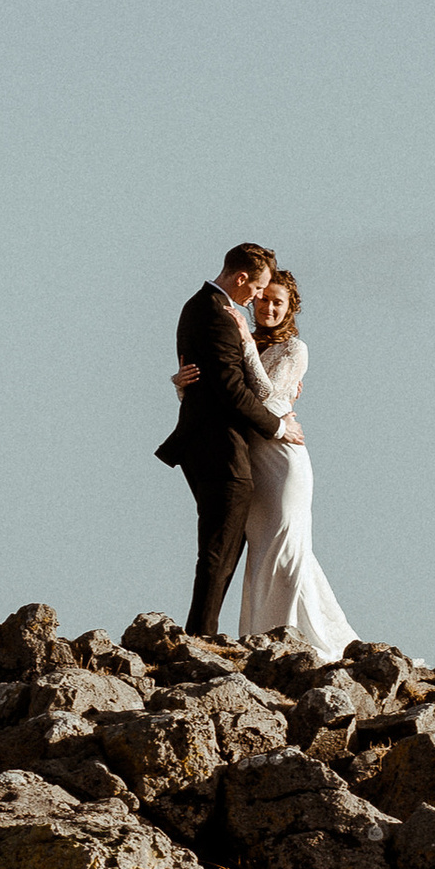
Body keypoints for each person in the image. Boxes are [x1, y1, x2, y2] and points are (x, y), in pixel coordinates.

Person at [168, 260, 356, 662]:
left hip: (282, 459)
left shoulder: (294, 349)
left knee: (287, 546)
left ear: (291, 308)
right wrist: (181, 387)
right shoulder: (238, 335)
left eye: (278, 303)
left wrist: (248, 348)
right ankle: (260, 637)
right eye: (264, 300)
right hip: (249, 458)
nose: (268, 308)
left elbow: (268, 397)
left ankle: (298, 639)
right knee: (260, 552)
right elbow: (224, 392)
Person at [155, 244, 300, 637]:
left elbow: (216, 381)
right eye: (257, 290)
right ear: (240, 279)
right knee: (220, 547)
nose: (258, 300)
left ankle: (206, 631)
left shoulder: (200, 307)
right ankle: (201, 635)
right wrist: (280, 427)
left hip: (222, 444)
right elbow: (231, 390)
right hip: (220, 446)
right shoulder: (217, 315)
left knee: (230, 544)